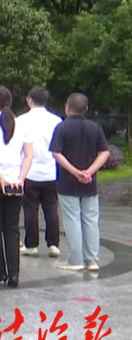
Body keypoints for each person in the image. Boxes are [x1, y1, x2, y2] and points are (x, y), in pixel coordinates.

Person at [0, 86, 33, 288]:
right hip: (16, 183)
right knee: (12, 229)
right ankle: (14, 275)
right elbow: (29, 155)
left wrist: (0, 177)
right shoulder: (21, 125)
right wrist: (20, 178)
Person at [52, 93, 110, 272]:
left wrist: (75, 172)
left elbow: (56, 153)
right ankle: (92, 259)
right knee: (91, 220)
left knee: (72, 219)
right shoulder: (95, 128)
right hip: (90, 183)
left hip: (68, 183)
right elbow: (104, 152)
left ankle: (75, 259)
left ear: (67, 107)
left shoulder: (62, 127)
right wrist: (89, 171)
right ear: (86, 109)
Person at [18, 87, 63, 258]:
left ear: (29, 100)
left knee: (30, 209)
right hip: (50, 171)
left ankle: (31, 244)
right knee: (51, 208)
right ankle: (53, 244)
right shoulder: (56, 120)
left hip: (29, 171)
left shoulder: (22, 120)